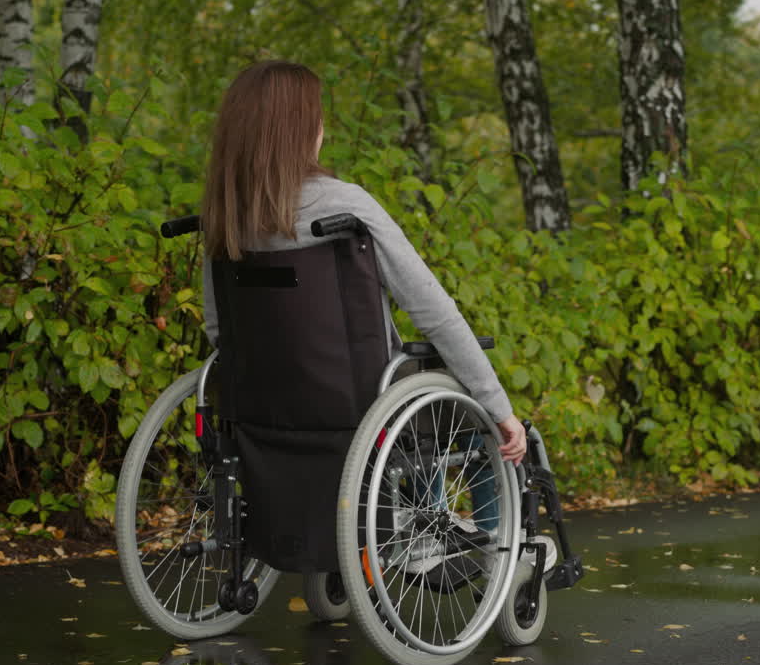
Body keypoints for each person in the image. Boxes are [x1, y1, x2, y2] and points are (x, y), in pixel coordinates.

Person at [198, 59, 553, 571]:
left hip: (264, 410)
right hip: (361, 404)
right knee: (469, 412)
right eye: (317, 118)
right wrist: (498, 408)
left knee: (419, 390)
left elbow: (219, 331)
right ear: (302, 130)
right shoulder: (346, 207)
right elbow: (434, 312)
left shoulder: (225, 215)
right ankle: (499, 546)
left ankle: (404, 526)